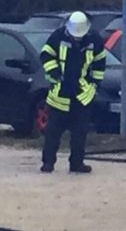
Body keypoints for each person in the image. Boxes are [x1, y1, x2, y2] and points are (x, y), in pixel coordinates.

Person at [39, 11, 106, 173]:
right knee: (53, 132)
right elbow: (46, 55)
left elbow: (100, 63)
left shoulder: (94, 40)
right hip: (60, 93)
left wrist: (95, 84)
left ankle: (77, 163)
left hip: (82, 94)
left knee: (80, 133)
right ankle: (48, 163)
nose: (77, 38)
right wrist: (54, 72)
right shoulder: (58, 36)